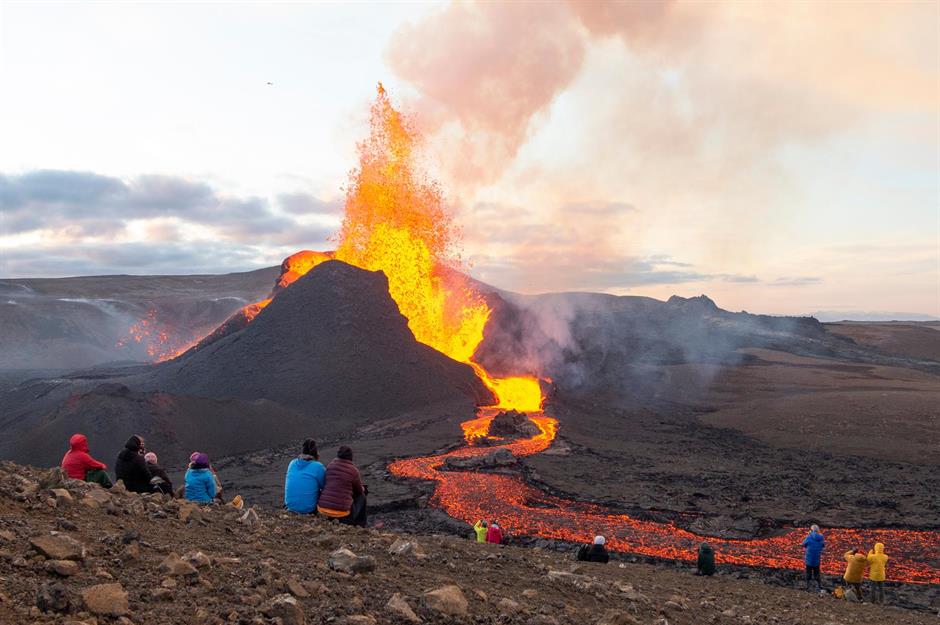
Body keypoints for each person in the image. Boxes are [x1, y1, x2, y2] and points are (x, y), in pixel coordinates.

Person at [317, 446, 367, 526]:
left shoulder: (330, 466)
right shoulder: (353, 470)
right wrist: (362, 488)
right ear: (350, 457)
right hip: (342, 516)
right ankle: (360, 525)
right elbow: (359, 491)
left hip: (322, 511)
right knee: (362, 496)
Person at [284, 438, 326, 514]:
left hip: (290, 506)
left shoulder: (292, 463)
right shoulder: (317, 466)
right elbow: (324, 486)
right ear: (315, 452)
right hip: (308, 509)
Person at [801, 524, 825, 591]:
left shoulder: (809, 537)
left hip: (809, 560)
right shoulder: (821, 538)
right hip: (817, 560)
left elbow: (803, 544)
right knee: (817, 573)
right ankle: (818, 587)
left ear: (811, 530)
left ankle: (808, 586)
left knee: (808, 573)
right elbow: (823, 545)